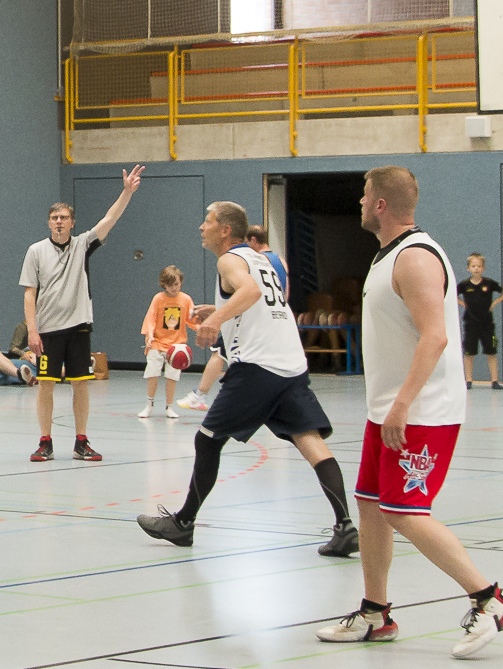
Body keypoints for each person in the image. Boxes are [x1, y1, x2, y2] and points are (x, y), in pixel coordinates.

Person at [317, 167, 503, 656]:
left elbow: (435, 336)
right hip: (387, 409)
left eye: (365, 196)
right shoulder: (386, 256)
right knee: (370, 504)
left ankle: (491, 599)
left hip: (421, 412)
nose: (360, 203)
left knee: (403, 510)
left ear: (381, 204)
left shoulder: (415, 257)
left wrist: (403, 405)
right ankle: (375, 613)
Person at [136, 201, 358, 558]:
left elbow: (251, 293)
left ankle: (183, 523)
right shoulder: (260, 259)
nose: (201, 227)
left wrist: (214, 320)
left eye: (207, 221)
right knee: (310, 440)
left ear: (225, 230)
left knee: (207, 441)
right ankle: (345, 526)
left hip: (258, 366)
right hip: (290, 364)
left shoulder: (228, 260)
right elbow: (263, 300)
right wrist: (220, 310)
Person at [20, 166, 143, 461]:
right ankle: (45, 442)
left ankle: (81, 441)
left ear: (72, 222)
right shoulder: (35, 251)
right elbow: (29, 294)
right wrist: (32, 331)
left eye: (64, 217)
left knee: (80, 383)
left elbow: (110, 219)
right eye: (54, 217)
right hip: (48, 330)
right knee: (46, 384)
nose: (59, 221)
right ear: (48, 222)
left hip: (78, 327)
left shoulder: (82, 245)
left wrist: (127, 192)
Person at [178, 226, 281, 412]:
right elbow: (271, 299)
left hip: (247, 326)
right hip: (273, 324)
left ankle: (200, 395)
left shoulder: (247, 260)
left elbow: (252, 294)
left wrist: (215, 318)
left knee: (219, 354)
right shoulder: (279, 261)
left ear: (253, 241)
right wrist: (215, 309)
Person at [139, 265, 194, 418]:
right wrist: (150, 335)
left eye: (176, 284)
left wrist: (202, 328)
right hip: (157, 343)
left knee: (172, 377)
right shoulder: (158, 298)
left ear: (181, 282)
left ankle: (169, 407)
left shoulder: (186, 299)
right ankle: (149, 404)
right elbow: (151, 318)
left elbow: (192, 319)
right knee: (152, 373)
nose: (173, 288)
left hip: (176, 346)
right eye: (170, 285)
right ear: (164, 284)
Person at [456, 253, 503, 389]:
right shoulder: (464, 285)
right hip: (470, 324)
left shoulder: (489, 283)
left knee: (491, 352)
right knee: (469, 353)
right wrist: (462, 303)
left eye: (479, 266)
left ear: (483, 268)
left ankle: (494, 381)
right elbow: (451, 294)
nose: (476, 268)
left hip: (487, 324)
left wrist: (494, 303)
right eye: (473, 266)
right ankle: (468, 380)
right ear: (468, 268)